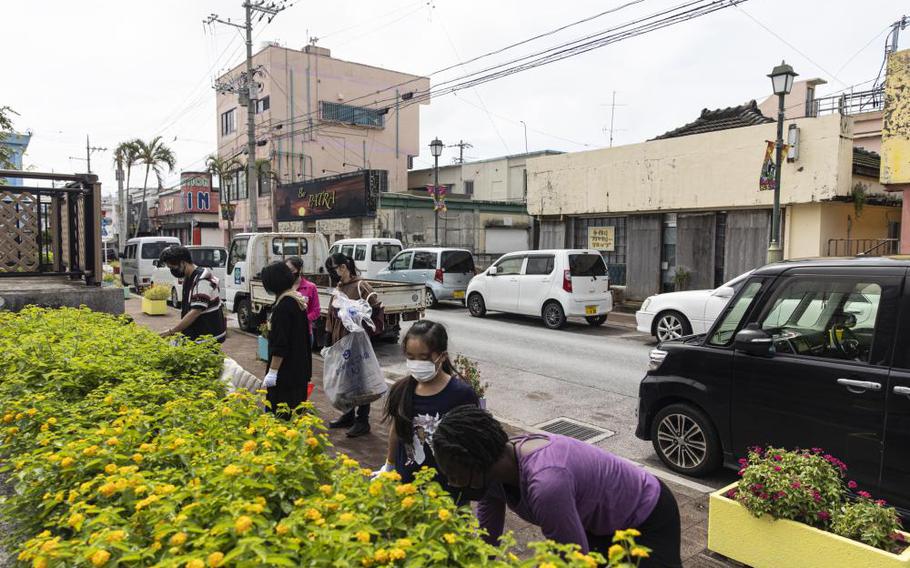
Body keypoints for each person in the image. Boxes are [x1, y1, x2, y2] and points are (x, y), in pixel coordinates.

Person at [432, 406, 682, 568]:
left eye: (455, 476)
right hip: (598, 524)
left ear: (477, 461)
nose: (453, 484)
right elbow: (489, 534)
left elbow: (573, 559)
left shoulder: (546, 484)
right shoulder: (495, 472)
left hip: (647, 515)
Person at [377, 320, 478, 495]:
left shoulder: (462, 394)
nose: (416, 363)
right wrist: (389, 465)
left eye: (423, 358)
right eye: (410, 357)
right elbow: (396, 431)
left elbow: (473, 440)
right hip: (407, 486)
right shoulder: (401, 391)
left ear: (442, 356)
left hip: (447, 491)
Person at [325, 252, 383, 437]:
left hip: (356, 343)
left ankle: (363, 421)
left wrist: (358, 315)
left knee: (360, 380)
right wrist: (329, 339)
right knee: (344, 379)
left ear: (343, 267)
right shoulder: (339, 287)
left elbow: (375, 307)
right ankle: (348, 415)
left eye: (333, 270)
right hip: (340, 342)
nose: (332, 274)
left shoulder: (360, 286)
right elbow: (331, 314)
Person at [259, 261, 312, 419]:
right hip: (299, 370)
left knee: (281, 416)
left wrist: (273, 372)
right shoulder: (296, 300)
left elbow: (280, 344)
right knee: (296, 415)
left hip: (286, 375)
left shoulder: (284, 307)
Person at [158, 245, 227, 343]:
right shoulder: (189, 277)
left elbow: (195, 312)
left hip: (207, 337)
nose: (172, 271)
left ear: (183, 262)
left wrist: (171, 331)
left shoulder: (202, 280)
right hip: (196, 335)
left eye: (173, 267)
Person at [286, 256, 321, 346]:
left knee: (304, 359)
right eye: (286, 270)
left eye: (291, 270)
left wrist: (302, 319)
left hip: (305, 332)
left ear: (299, 269)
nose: (289, 273)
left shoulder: (310, 287)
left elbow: (316, 311)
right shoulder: (284, 287)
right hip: (287, 332)